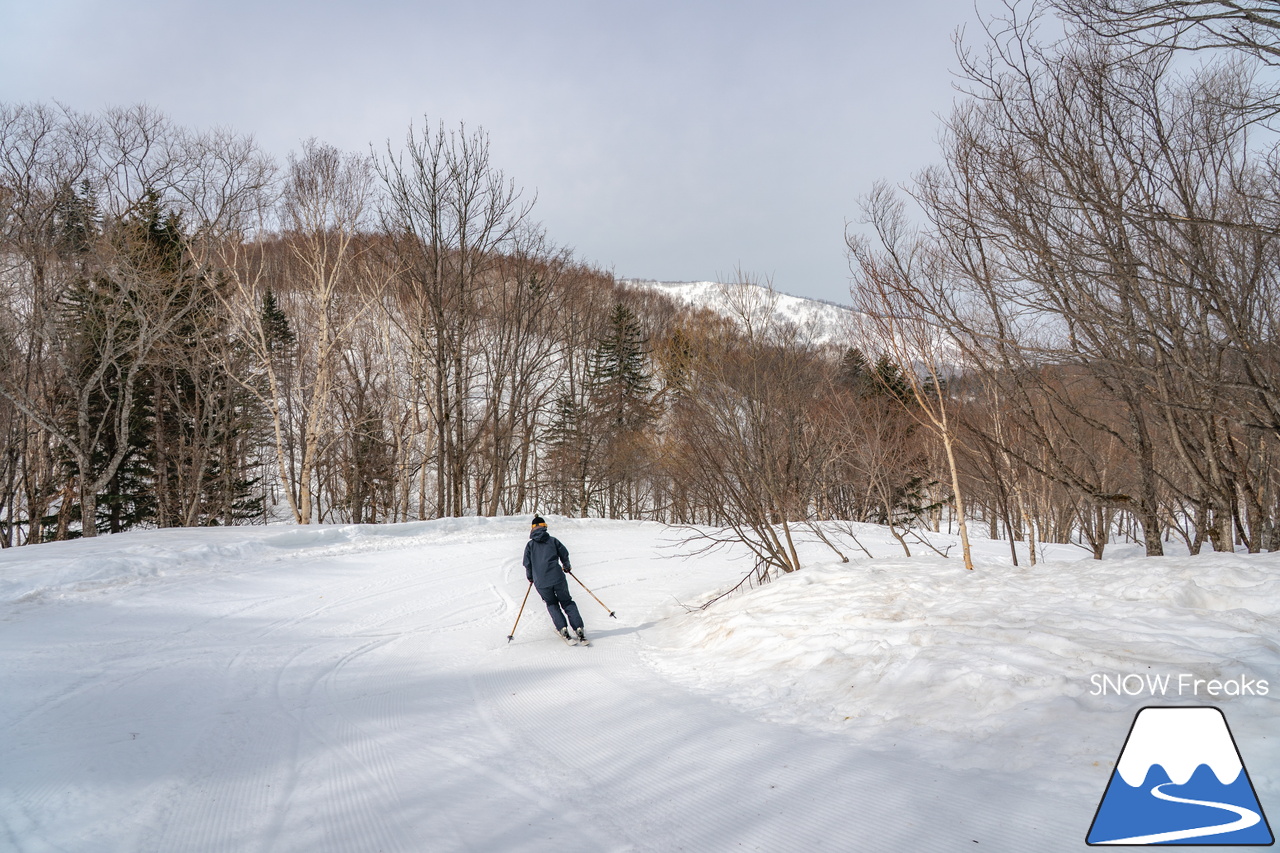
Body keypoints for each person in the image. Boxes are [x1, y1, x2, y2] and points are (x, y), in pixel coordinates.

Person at [523, 515, 587, 644]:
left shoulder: (530, 545)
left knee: (552, 603)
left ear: (532, 529)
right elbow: (564, 554)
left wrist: (530, 577)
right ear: (545, 527)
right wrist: (566, 566)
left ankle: (562, 628)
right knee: (567, 602)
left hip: (541, 582)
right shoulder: (553, 541)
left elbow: (527, 564)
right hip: (558, 578)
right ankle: (578, 627)